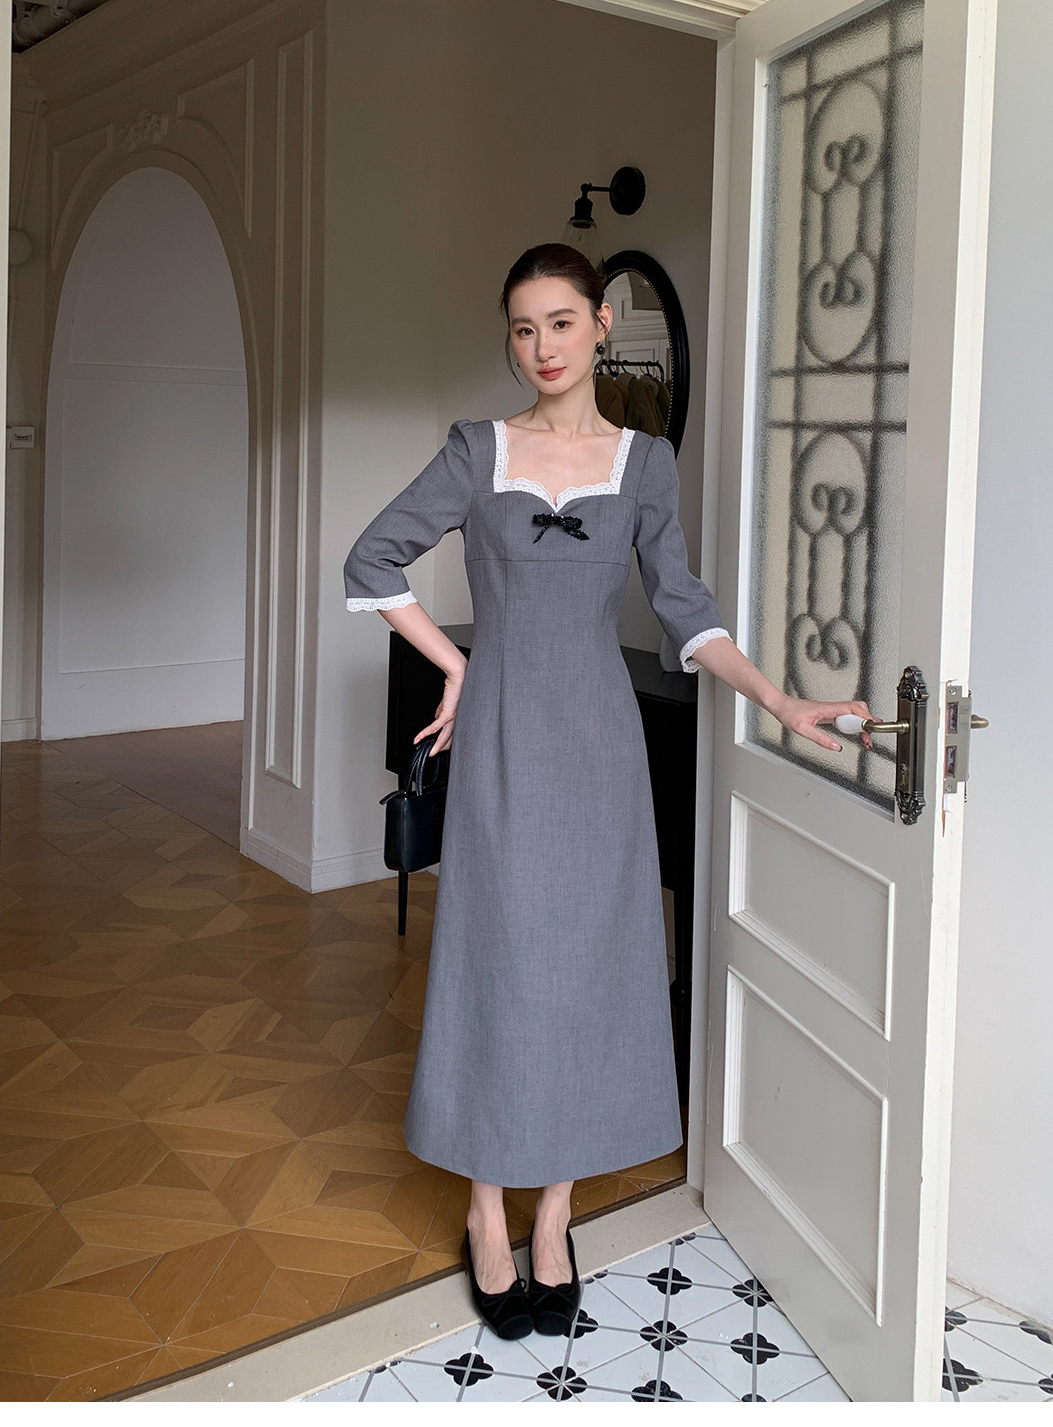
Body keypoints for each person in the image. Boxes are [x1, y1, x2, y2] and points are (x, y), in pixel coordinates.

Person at [342, 243, 872, 1340]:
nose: (541, 347)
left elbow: (686, 608)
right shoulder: (476, 450)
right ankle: (485, 1208)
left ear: (600, 326)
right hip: (501, 744)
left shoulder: (645, 464)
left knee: (585, 968)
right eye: (522, 327)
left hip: (599, 750)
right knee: (496, 960)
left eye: (561, 323)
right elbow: (371, 561)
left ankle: (553, 1213)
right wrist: (456, 666)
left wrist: (778, 700)